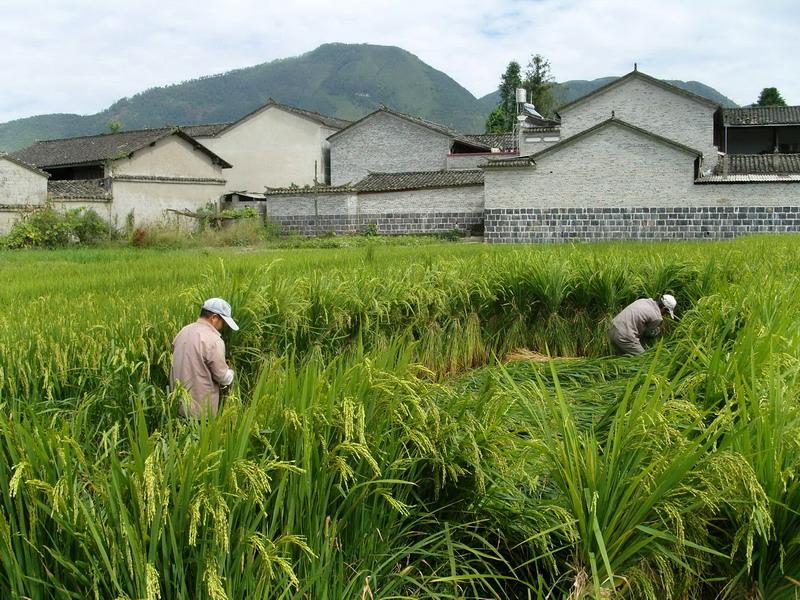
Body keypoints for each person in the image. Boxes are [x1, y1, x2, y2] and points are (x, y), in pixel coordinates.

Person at [170, 297, 239, 418]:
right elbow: (223, 377)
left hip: (178, 405)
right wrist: (232, 373)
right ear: (214, 318)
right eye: (223, 322)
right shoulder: (213, 340)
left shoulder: (182, 332)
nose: (223, 327)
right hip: (201, 412)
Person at [608, 294, 677, 355]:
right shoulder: (656, 317)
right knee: (644, 359)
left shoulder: (643, 300)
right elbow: (648, 333)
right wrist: (658, 330)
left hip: (612, 327)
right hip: (624, 337)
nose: (665, 315)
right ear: (664, 308)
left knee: (619, 354)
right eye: (666, 313)